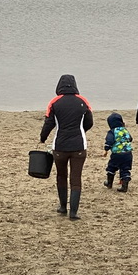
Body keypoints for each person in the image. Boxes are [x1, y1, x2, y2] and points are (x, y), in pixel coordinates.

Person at [40, 74, 94, 220]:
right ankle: (74, 212)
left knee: (61, 175)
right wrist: (81, 131)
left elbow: (48, 123)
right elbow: (89, 122)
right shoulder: (83, 101)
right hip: (79, 146)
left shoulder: (54, 102)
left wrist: (42, 138)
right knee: (76, 178)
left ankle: (63, 207)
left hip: (60, 146)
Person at [102, 113, 134, 192]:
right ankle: (124, 186)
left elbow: (109, 141)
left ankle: (109, 183)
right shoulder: (125, 130)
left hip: (117, 154)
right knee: (125, 169)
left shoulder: (112, 132)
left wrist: (106, 149)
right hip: (128, 153)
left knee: (112, 167)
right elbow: (130, 139)